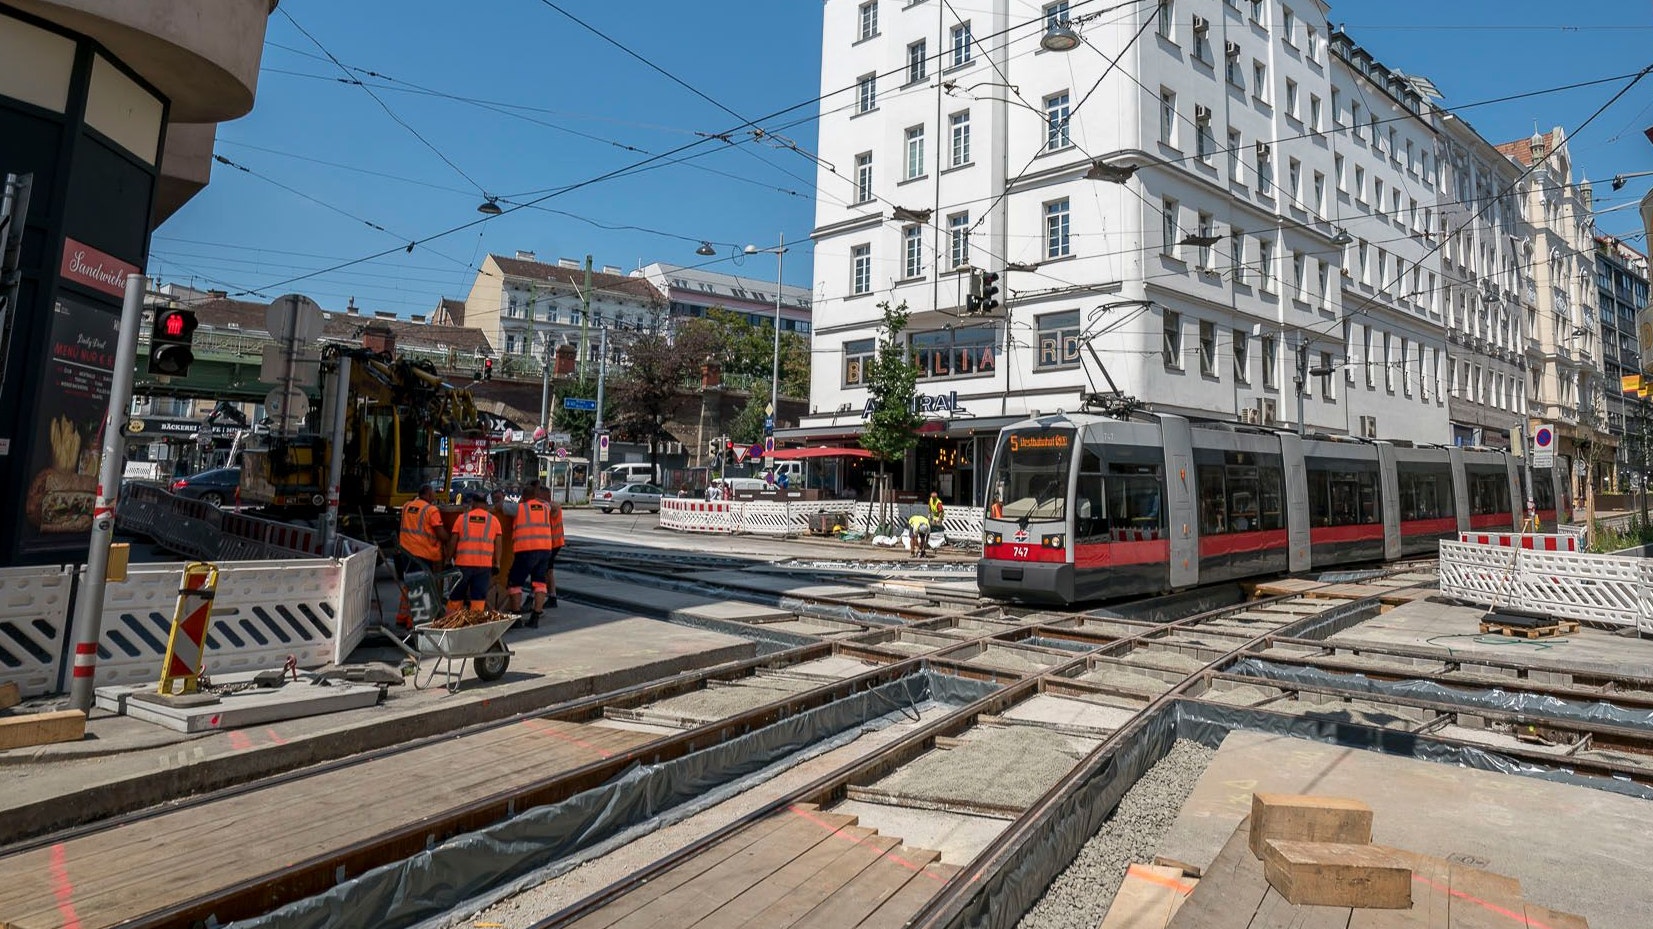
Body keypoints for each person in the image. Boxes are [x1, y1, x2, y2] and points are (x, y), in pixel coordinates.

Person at [507, 485, 558, 627]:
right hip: (544, 550)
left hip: (525, 550)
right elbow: (555, 508)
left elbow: (500, 506)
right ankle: (535, 617)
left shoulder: (519, 508)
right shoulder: (545, 507)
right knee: (539, 583)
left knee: (515, 584)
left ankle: (516, 618)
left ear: (523, 497)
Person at [446, 492, 501, 614]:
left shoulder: (462, 518)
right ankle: (474, 622)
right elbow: (498, 544)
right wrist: (497, 564)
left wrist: (448, 560)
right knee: (478, 599)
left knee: (456, 596)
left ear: (473, 503)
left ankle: (451, 620)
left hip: (463, 564)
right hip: (484, 566)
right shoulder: (494, 521)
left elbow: (453, 541)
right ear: (486, 504)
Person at [397, 482, 451, 576]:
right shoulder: (431, 510)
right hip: (422, 553)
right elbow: (441, 534)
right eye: (434, 493)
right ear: (429, 494)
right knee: (422, 581)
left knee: (410, 579)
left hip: (406, 551)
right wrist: (450, 538)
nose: (435, 496)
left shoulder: (407, 506)